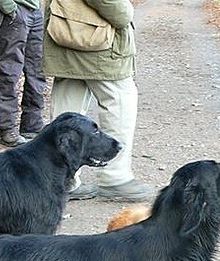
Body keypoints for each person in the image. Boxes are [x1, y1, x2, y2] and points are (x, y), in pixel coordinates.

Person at [41, 0, 153, 201]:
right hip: (97, 37)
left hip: (65, 29)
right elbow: (113, 7)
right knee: (119, 99)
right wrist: (123, 12)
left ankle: (62, 179)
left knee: (68, 101)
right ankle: (115, 177)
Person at [0, 0, 47, 146]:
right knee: (10, 72)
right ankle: (6, 128)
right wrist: (10, 9)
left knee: (37, 70)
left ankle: (32, 125)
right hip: (16, 12)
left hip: (36, 12)